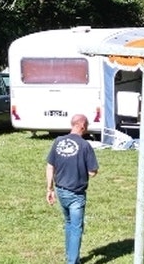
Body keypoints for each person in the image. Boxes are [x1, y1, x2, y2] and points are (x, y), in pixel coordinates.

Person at [46, 113, 99, 264]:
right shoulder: (85, 145)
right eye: (86, 126)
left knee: (68, 223)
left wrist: (49, 189)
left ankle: (70, 255)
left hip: (60, 190)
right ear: (82, 125)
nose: (86, 130)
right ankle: (72, 261)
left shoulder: (58, 141)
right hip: (76, 194)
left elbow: (50, 166)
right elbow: (92, 171)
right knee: (76, 228)